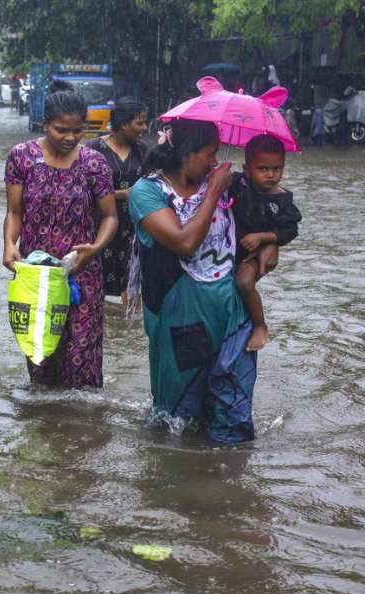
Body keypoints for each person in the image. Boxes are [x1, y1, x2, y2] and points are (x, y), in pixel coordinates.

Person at [129, 119, 257, 444]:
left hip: (230, 312)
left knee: (234, 413)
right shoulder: (147, 192)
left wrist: (269, 251)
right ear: (186, 154)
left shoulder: (228, 186)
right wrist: (213, 191)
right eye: (209, 154)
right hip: (178, 316)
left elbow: (263, 225)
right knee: (178, 421)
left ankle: (230, 471)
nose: (215, 162)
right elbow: (184, 243)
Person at [3, 90, 118, 388]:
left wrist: (95, 249)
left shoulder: (94, 163)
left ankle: (80, 417)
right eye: (61, 130)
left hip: (82, 271)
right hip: (36, 274)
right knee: (41, 359)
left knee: (81, 361)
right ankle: (44, 415)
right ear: (45, 124)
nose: (70, 137)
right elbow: (14, 212)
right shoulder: (21, 157)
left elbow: (110, 217)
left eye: (78, 130)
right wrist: (9, 245)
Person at [228, 134, 301, 351]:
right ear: (247, 169)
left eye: (277, 169)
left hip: (256, 254)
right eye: (263, 169)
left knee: (244, 283)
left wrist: (264, 238)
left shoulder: (283, 200)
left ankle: (260, 325)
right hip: (231, 249)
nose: (271, 175)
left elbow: (290, 230)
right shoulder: (238, 184)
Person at [87, 97, 149, 302]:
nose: (145, 128)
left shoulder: (142, 150)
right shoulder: (93, 150)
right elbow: (82, 192)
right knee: (99, 291)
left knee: (133, 291)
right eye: (140, 123)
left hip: (134, 229)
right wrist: (121, 194)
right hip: (100, 229)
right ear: (123, 124)